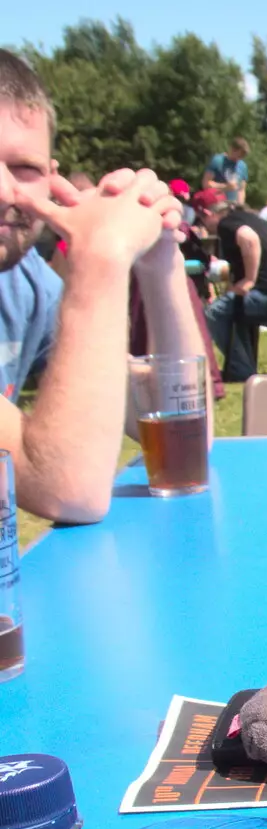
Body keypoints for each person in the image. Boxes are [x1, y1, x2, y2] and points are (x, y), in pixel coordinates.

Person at [0, 50, 204, 523]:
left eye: (23, 169)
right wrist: (101, 253)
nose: (6, 191)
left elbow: (177, 430)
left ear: (51, 176)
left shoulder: (25, 283)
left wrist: (160, 260)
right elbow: (69, 489)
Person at [194, 186, 267, 374]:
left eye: (201, 219)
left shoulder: (226, 225)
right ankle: (243, 365)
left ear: (208, 213)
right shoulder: (251, 216)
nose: (203, 224)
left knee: (215, 313)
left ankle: (240, 369)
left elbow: (249, 239)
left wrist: (250, 279)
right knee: (233, 306)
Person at [202, 137, 249, 206]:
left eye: (242, 156)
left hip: (233, 206)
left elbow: (241, 190)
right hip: (216, 204)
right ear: (232, 149)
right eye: (239, 155)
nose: (239, 159)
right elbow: (205, 184)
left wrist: (240, 206)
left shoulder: (243, 166)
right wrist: (225, 186)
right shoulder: (217, 160)